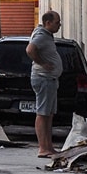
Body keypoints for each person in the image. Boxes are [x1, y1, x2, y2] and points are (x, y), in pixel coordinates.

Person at [25, 11, 62, 158]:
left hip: (50, 79)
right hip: (44, 78)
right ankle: (42, 148)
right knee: (42, 113)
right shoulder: (41, 36)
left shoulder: (46, 35)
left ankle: (49, 147)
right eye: (57, 22)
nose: (59, 25)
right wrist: (42, 63)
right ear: (48, 23)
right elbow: (30, 49)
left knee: (49, 114)